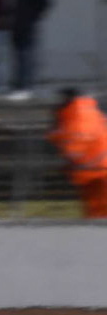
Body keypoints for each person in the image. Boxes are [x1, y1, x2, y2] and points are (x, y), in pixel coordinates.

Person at [48, 89, 107, 218]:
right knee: (96, 212)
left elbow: (76, 143)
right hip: (95, 170)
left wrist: (54, 136)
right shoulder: (80, 112)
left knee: (100, 213)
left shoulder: (79, 115)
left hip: (98, 171)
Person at [10, 0, 51, 98]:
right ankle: (20, 87)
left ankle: (27, 87)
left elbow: (45, 2)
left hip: (27, 26)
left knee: (27, 57)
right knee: (19, 58)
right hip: (17, 27)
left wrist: (33, 17)